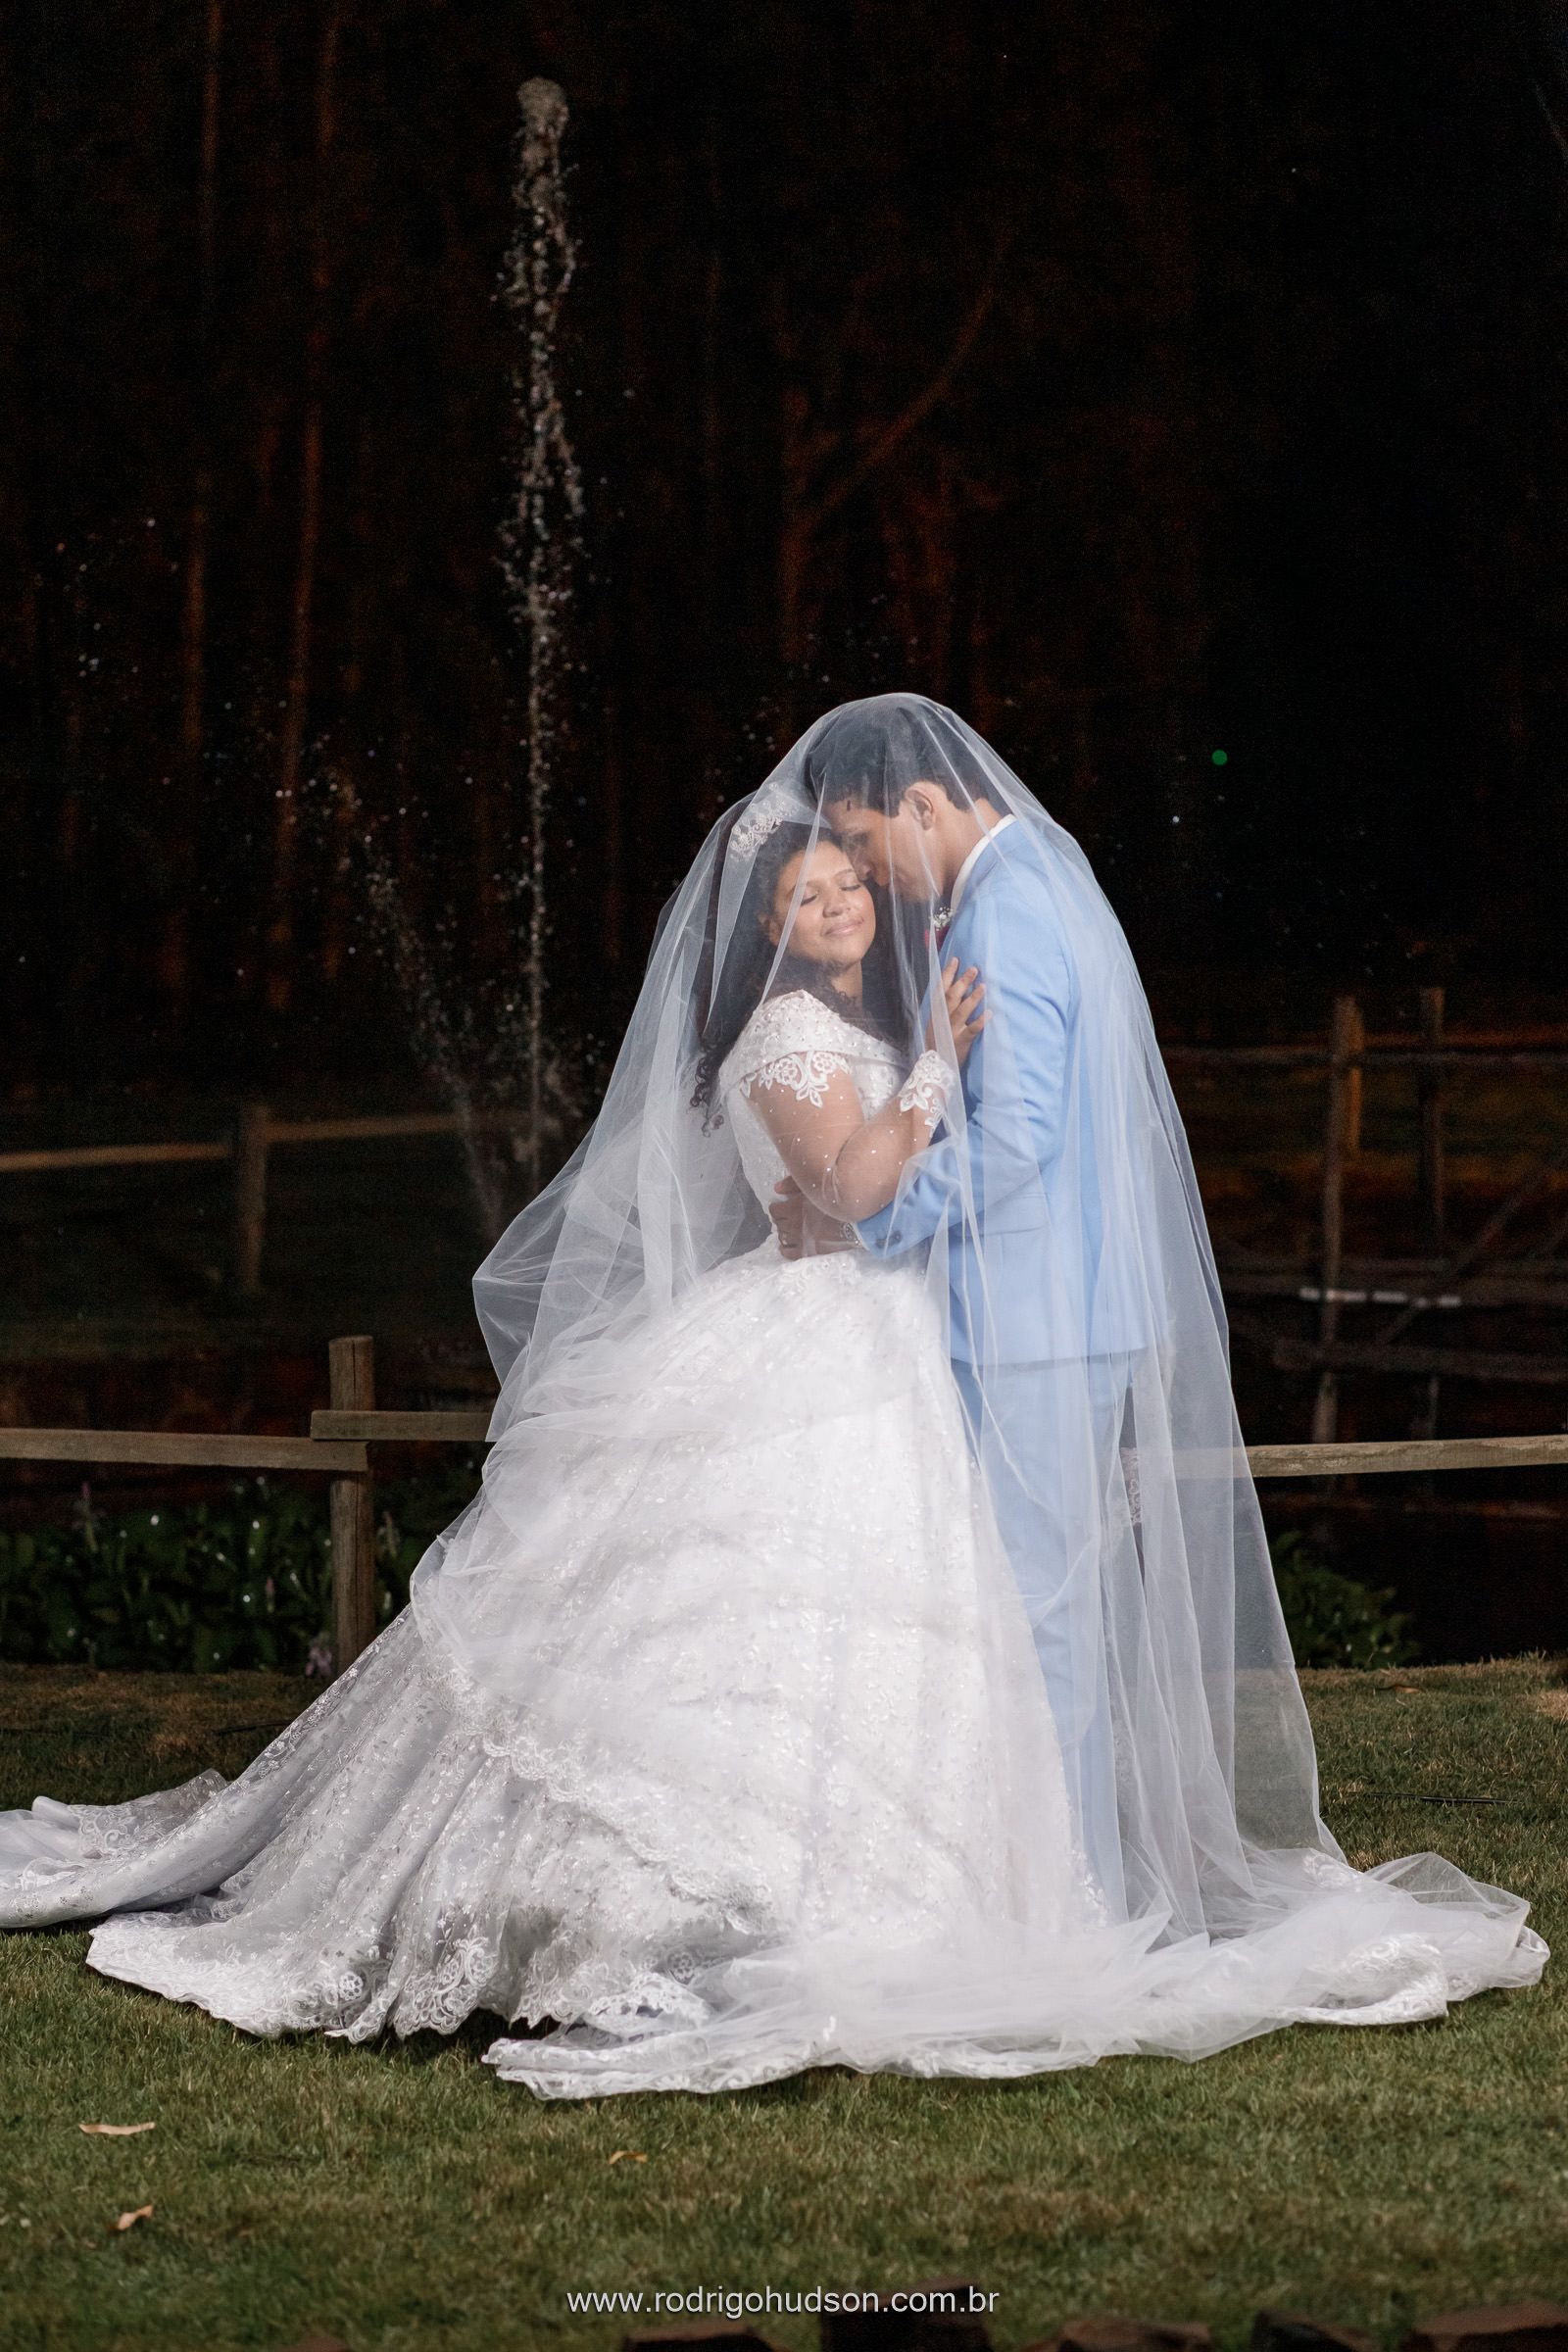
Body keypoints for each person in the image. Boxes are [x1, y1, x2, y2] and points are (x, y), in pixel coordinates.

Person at [0, 696, 1545, 2101]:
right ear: (763, 916)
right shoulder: (818, 1022)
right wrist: (916, 1120)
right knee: (944, 1624)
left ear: (911, 819)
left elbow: (982, 1160)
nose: (857, 889)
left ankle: (1056, 1892)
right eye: (815, 883)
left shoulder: (999, 923)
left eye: (856, 868)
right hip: (851, 1331)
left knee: (1004, 1628)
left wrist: (910, 1154)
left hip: (956, 1331)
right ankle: (1024, 1895)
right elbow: (882, 1180)